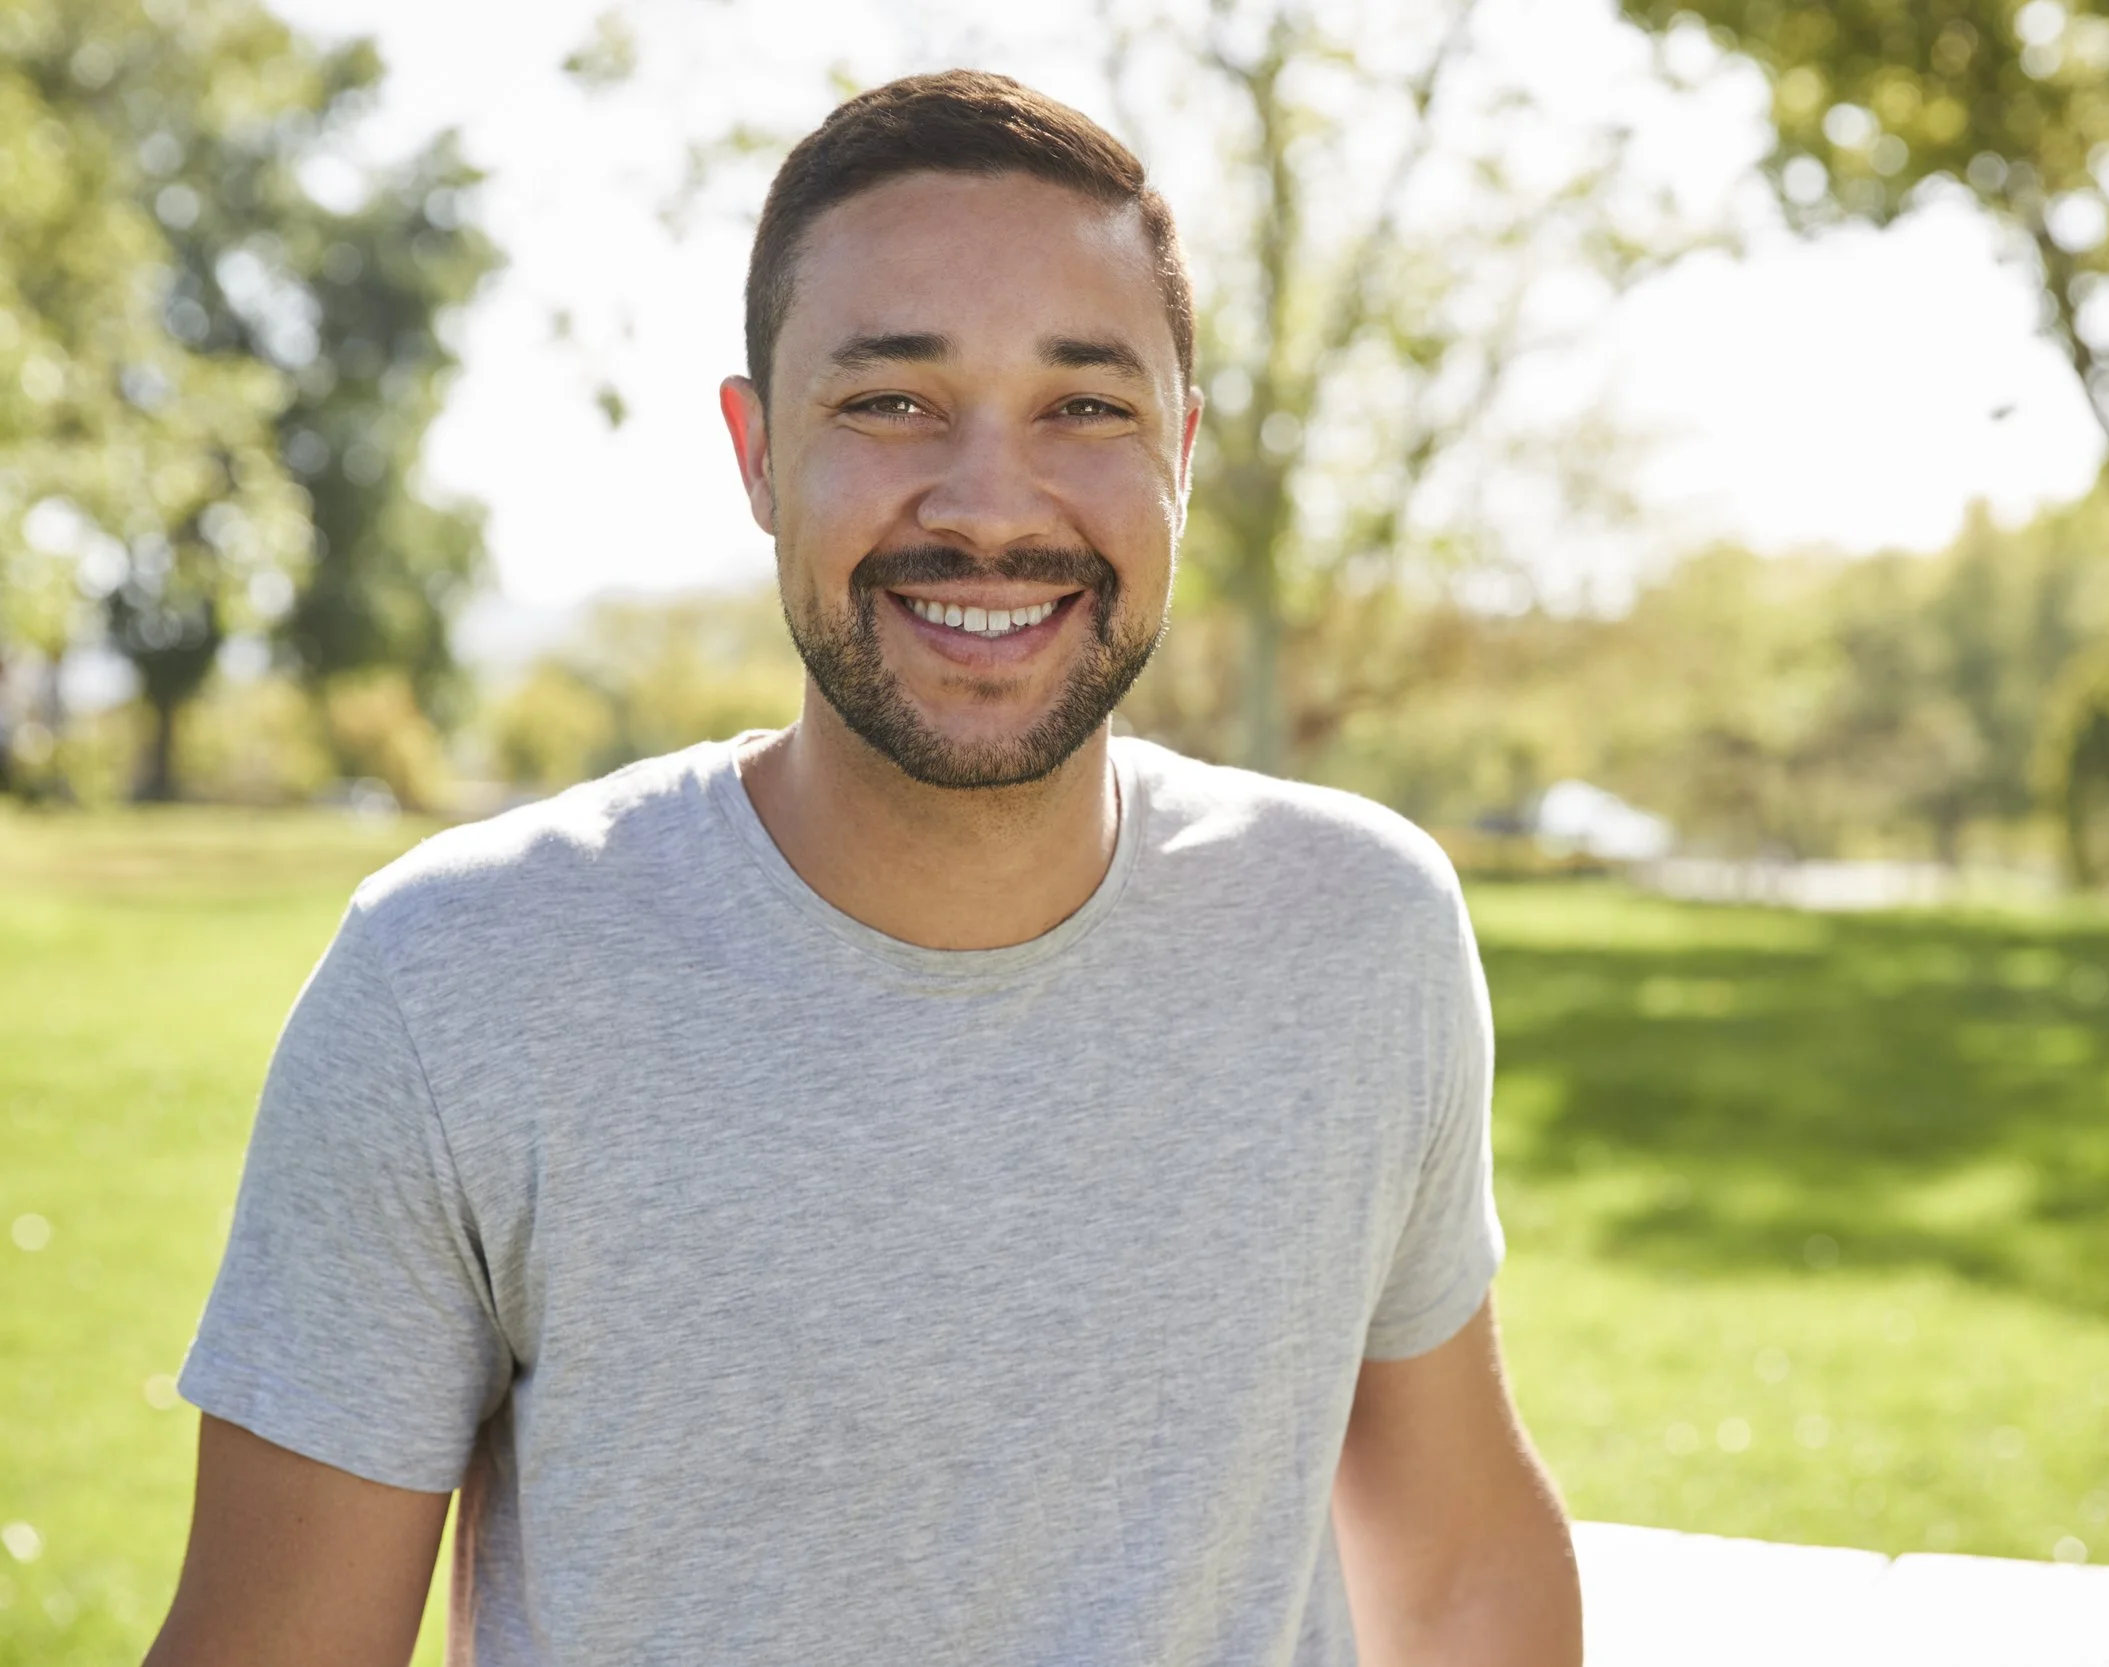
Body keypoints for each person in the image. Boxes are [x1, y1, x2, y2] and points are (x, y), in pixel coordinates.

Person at [145, 69, 1580, 1667]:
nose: (990, 507)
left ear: (1180, 450)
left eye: (1085, 407)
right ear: (758, 452)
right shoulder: (457, 983)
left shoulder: (1360, 933)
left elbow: (1461, 1572)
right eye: (892, 401)